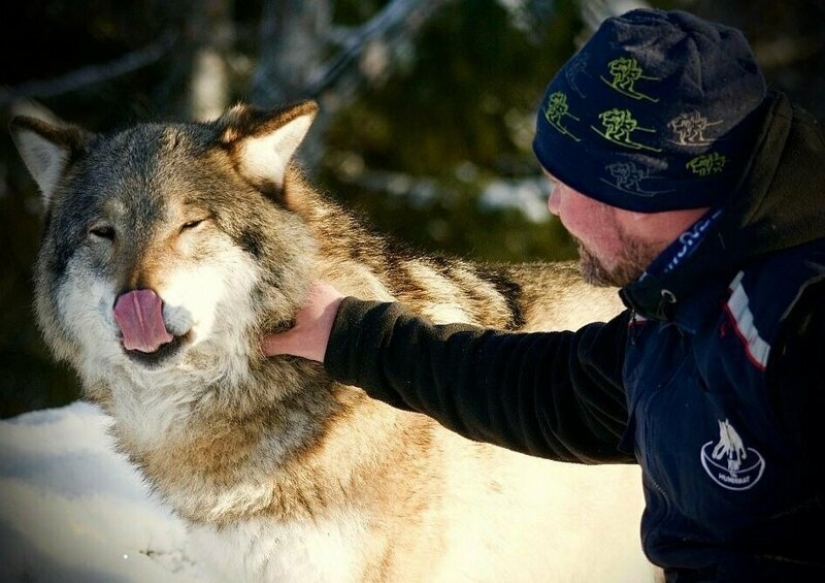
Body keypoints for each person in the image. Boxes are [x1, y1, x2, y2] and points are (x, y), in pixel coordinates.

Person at [262, 8, 825, 582]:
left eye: (564, 183)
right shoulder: (682, 298)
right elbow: (554, 393)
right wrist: (348, 333)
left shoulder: (799, 322)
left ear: (639, 188)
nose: (553, 206)